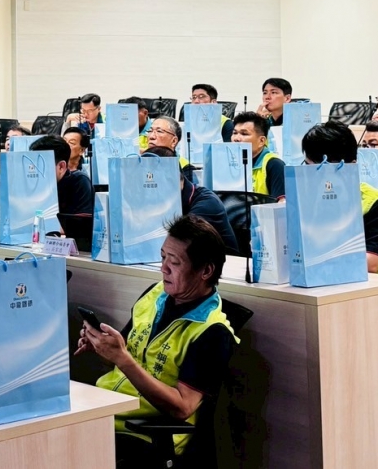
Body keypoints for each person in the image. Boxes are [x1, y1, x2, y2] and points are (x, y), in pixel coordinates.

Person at [82, 215, 238, 466]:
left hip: (143, 434)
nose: (163, 268)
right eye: (163, 257)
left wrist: (122, 359)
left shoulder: (212, 332)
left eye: (174, 262)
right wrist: (102, 347)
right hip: (105, 412)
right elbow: (125, 355)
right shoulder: (156, 295)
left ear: (206, 271)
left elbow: (183, 407)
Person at [301, 120, 378, 275]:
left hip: (373, 285)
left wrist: (314, 257)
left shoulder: (377, 203)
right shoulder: (305, 197)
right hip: (320, 278)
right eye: (308, 166)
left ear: (351, 165)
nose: (312, 176)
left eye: (322, 168)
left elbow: (371, 263)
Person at [144, 145, 239, 254]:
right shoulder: (157, 201)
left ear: (179, 179)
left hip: (219, 262)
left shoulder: (206, 203)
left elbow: (176, 242)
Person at [30, 134, 93, 215]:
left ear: (61, 167)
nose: (35, 169)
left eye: (40, 165)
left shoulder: (79, 181)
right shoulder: (33, 184)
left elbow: (81, 221)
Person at [230, 111, 286, 200]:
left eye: (244, 134)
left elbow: (281, 204)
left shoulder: (275, 165)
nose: (236, 138)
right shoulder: (230, 163)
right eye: (235, 133)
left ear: (261, 141)